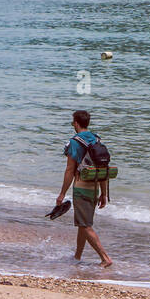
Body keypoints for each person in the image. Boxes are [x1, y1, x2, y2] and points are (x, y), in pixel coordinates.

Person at [57, 110, 113, 267]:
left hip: (81, 188)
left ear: (76, 123)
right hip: (94, 187)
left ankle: (105, 258)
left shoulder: (74, 142)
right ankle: (77, 256)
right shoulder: (96, 139)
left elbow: (69, 170)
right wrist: (103, 193)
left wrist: (62, 193)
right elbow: (102, 168)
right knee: (83, 223)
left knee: (85, 225)